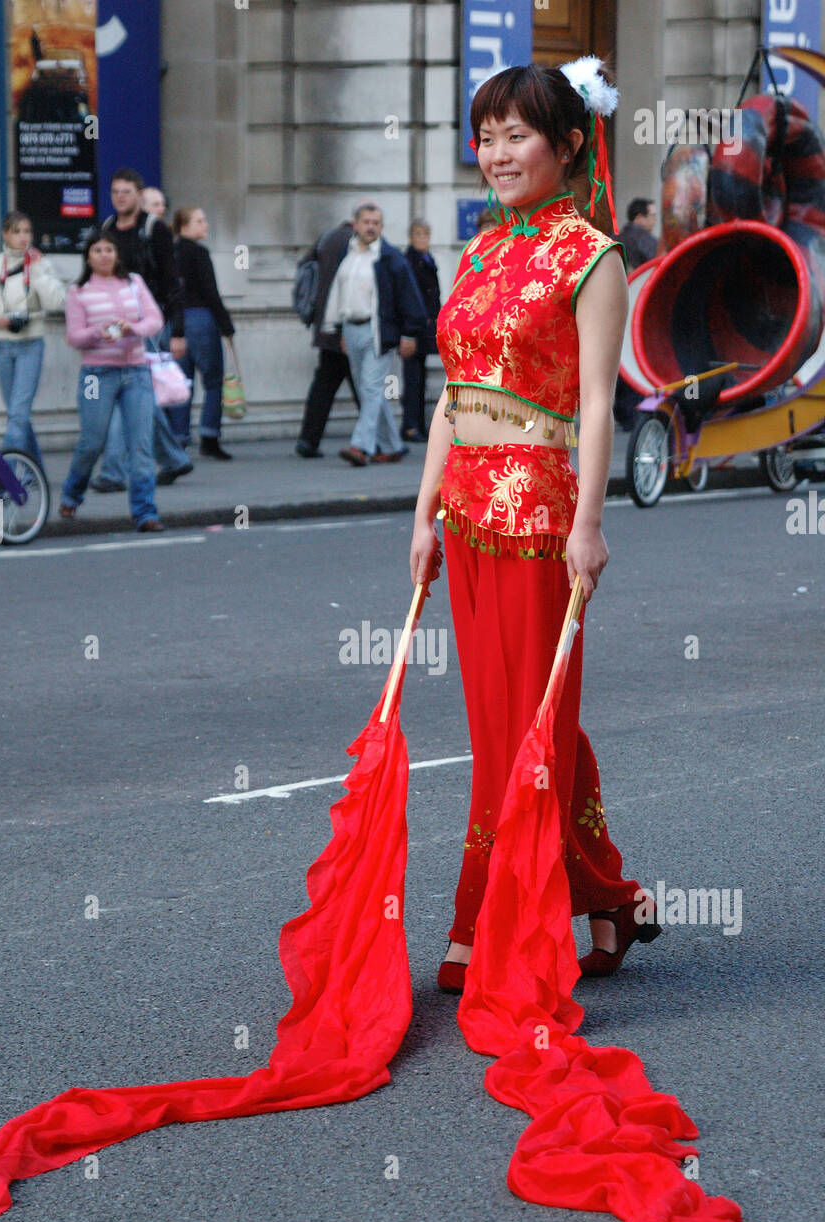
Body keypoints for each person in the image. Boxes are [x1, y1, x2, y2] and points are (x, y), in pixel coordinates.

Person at [408, 62, 659, 992]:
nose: (499, 153)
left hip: (542, 518)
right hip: (468, 514)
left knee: (528, 724)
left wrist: (590, 523)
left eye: (518, 135)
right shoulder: (477, 253)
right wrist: (424, 509)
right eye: (488, 135)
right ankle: (606, 897)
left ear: (568, 145)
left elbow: (599, 405)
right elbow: (454, 394)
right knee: (506, 722)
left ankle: (488, 915)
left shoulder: (593, 257)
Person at [59, 228, 164, 532]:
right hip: (95, 375)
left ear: (117, 254)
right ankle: (72, 493)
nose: (104, 255)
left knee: (141, 444)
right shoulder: (78, 291)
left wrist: (132, 328)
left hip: (135, 372)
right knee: (92, 441)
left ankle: (146, 513)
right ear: (88, 257)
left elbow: (155, 319)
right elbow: (74, 337)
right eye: (97, 250)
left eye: (109, 249)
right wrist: (98, 331)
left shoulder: (134, 283)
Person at [93, 167, 192, 491]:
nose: (120, 197)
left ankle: (112, 471)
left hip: (147, 325)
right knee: (138, 396)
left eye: (126, 191)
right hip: (115, 325)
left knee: (126, 393)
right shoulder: (107, 228)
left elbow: (171, 280)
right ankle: (175, 459)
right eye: (115, 192)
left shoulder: (154, 230)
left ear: (138, 195)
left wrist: (177, 331)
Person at [321, 202, 427, 466]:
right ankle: (392, 445)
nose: (371, 227)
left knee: (370, 388)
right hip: (351, 329)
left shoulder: (390, 258)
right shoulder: (351, 255)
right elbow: (339, 292)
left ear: (381, 226)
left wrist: (409, 334)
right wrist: (337, 327)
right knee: (370, 391)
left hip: (378, 332)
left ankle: (361, 446)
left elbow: (409, 296)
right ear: (355, 224)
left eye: (376, 223)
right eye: (366, 222)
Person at [0, 211, 65, 467]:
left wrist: (36, 271)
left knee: (17, 415)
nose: (23, 237)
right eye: (17, 232)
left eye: (27, 231)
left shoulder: (40, 264)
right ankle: (38, 472)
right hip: (3, 345)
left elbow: (57, 302)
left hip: (31, 344)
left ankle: (6, 477)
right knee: (18, 415)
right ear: (5, 235)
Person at [168, 207, 235, 459]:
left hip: (176, 323)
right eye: (199, 220)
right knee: (214, 381)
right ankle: (209, 436)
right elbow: (210, 292)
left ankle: (178, 439)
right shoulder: (199, 253)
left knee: (182, 384)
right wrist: (226, 324)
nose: (205, 224)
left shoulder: (170, 253)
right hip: (201, 319)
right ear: (184, 225)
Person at [295, 218, 361, 458]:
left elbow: (304, 268)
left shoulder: (326, 239)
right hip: (348, 326)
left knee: (323, 387)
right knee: (366, 388)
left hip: (325, 324)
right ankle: (375, 441)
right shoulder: (358, 243)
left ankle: (308, 440)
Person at [614, 197, 658, 430]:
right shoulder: (646, 241)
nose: (654, 221)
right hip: (639, 306)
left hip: (614, 306)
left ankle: (622, 410)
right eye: (652, 216)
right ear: (639, 217)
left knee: (620, 359)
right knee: (636, 358)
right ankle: (631, 413)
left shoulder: (616, 239)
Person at [400, 219, 441, 443]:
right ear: (410, 236)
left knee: (420, 379)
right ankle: (410, 426)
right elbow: (410, 297)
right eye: (418, 234)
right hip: (415, 327)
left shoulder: (428, 259)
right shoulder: (410, 261)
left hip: (427, 325)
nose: (422, 238)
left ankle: (418, 424)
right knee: (412, 379)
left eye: (425, 234)